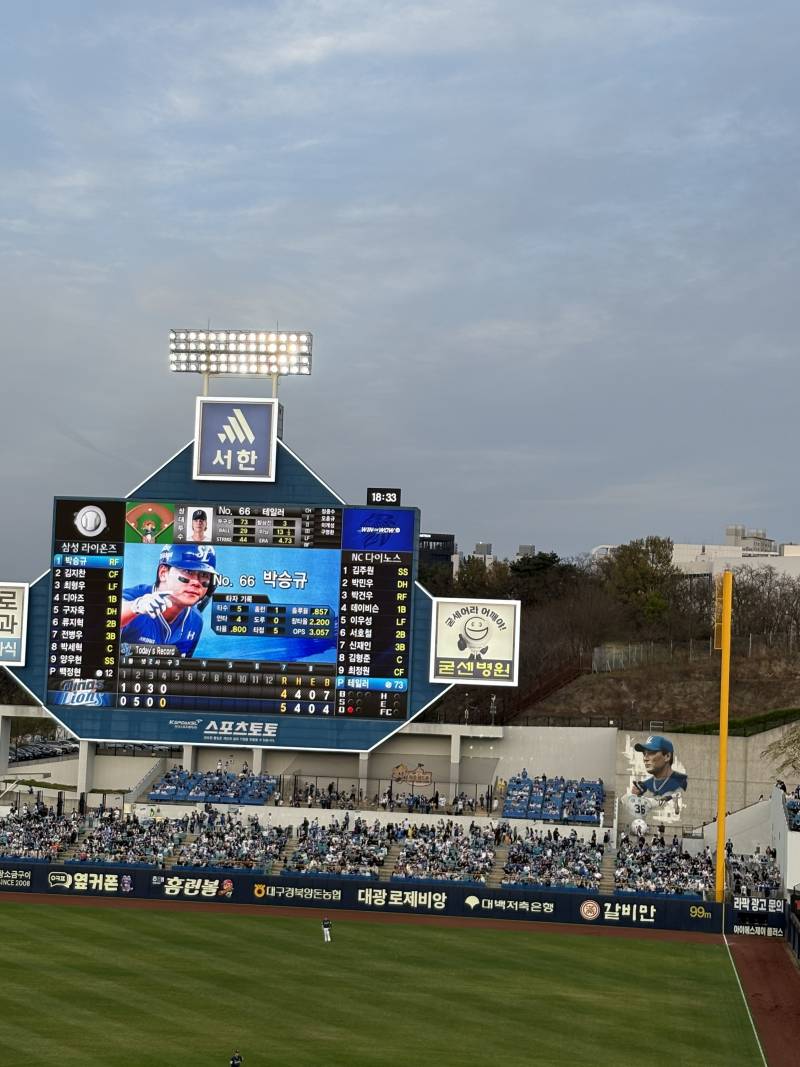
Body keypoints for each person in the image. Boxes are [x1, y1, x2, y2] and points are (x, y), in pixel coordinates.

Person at [120, 544, 218, 657]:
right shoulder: (133, 598)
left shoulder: (196, 621)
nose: (196, 582)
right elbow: (109, 614)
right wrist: (136, 606)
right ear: (163, 573)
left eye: (204, 575)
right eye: (188, 571)